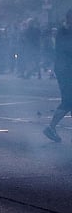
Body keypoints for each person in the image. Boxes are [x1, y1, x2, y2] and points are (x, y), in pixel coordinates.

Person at [43, 9, 72, 142]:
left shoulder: (64, 30)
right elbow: (66, 50)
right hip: (65, 70)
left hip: (65, 68)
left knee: (69, 100)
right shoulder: (64, 32)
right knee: (68, 101)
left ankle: (51, 128)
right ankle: (51, 127)